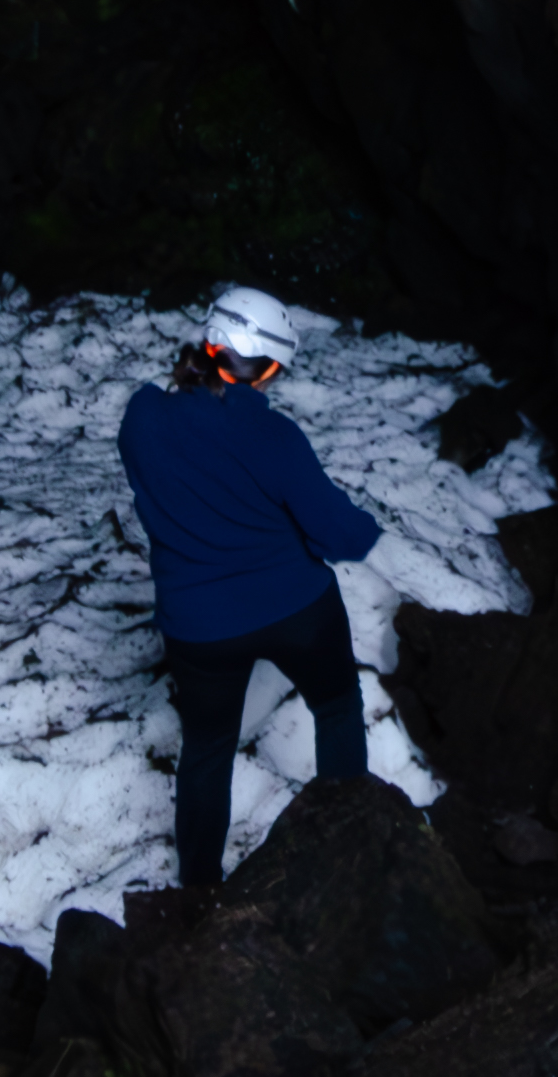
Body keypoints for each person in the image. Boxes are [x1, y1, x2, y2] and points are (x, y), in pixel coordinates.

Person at [116, 284, 382, 905]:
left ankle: (200, 892)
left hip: (198, 626)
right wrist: (366, 528)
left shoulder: (143, 416)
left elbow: (164, 483)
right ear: (266, 368)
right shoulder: (274, 438)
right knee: (338, 706)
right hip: (296, 609)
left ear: (209, 343)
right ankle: (350, 845)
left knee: (207, 749)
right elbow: (342, 536)